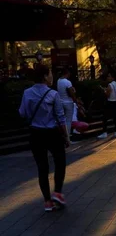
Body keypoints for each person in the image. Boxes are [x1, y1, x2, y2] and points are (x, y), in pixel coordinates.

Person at [19, 63, 69, 212]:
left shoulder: (27, 93)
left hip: (35, 133)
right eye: (50, 74)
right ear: (45, 76)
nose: (52, 76)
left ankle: (47, 202)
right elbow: (60, 118)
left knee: (42, 167)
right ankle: (58, 193)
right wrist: (66, 136)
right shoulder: (53, 94)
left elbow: (22, 113)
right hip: (52, 133)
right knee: (60, 162)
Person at [98, 71, 116, 139]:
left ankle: (105, 132)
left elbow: (108, 95)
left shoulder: (110, 85)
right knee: (115, 117)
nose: (108, 77)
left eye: (109, 76)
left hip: (110, 102)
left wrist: (104, 90)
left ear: (112, 77)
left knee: (104, 117)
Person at [57, 67, 77, 144]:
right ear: (67, 73)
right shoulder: (67, 82)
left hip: (61, 102)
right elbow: (71, 93)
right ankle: (68, 138)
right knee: (68, 121)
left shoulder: (58, 81)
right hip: (68, 102)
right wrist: (75, 99)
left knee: (62, 120)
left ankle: (63, 136)